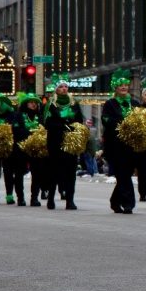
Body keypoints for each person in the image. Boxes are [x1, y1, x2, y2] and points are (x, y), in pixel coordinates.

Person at [102, 68, 139, 214]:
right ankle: (128, 202)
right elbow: (106, 121)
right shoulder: (110, 104)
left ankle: (115, 201)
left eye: (125, 84)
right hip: (115, 146)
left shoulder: (135, 103)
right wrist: (124, 123)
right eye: (120, 85)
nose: (124, 87)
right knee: (122, 174)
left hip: (131, 146)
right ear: (115, 88)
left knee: (126, 174)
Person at [44, 74, 84, 210]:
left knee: (71, 171)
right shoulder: (51, 104)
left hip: (70, 141)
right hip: (55, 141)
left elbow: (80, 120)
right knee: (54, 170)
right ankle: (51, 198)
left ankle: (70, 200)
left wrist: (74, 128)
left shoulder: (74, 103)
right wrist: (63, 125)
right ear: (56, 89)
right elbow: (47, 122)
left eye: (66, 86)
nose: (64, 89)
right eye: (61, 87)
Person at [0, 93, 26, 205]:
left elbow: (20, 131)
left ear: (4, 103)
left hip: (9, 148)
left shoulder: (14, 115)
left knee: (8, 171)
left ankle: (9, 194)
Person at [18, 93, 47, 207]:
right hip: (21, 148)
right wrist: (29, 135)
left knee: (37, 174)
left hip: (36, 149)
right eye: (31, 102)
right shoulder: (19, 116)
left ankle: (34, 198)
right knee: (19, 173)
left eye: (35, 102)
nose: (33, 104)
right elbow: (17, 130)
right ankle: (20, 198)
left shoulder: (40, 116)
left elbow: (43, 129)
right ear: (26, 104)